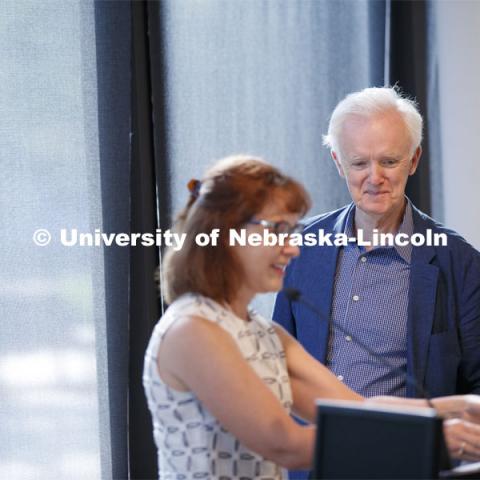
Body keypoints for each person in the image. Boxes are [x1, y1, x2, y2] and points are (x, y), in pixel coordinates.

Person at [144, 155, 480, 480]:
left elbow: (358, 410)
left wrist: (462, 407)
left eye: (291, 230)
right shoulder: (193, 330)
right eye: (277, 229)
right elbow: (285, 443)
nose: (292, 247)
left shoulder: (265, 333)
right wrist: (435, 439)